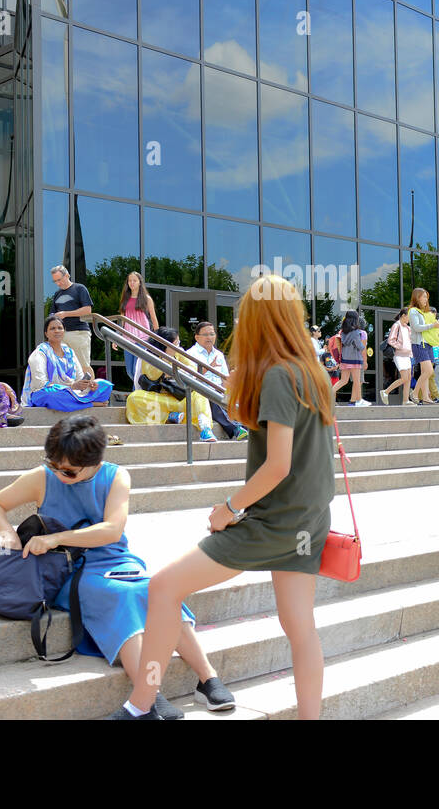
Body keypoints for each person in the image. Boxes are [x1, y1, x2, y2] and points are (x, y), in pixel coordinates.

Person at [114, 273, 335, 720]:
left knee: (163, 587)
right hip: (307, 520)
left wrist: (229, 509)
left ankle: (141, 706)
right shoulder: (312, 372)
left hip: (272, 519)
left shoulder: (277, 375)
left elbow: (277, 465)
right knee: (300, 628)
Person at [0, 414, 233, 718]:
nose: (60, 473)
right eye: (54, 465)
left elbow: (112, 530)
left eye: (70, 471)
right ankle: (149, 696)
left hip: (115, 559)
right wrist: (9, 535)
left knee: (159, 592)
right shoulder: (42, 477)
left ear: (95, 461)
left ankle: (208, 678)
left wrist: (55, 537)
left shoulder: (115, 476)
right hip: (69, 570)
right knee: (125, 596)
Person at [125, 326, 217, 441]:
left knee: (200, 394)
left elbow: (193, 370)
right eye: (175, 343)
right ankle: (170, 416)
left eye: (178, 342)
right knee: (134, 398)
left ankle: (205, 429)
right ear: (165, 344)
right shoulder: (149, 355)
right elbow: (152, 375)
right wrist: (168, 362)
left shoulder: (179, 353)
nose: (178, 346)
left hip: (178, 397)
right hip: (158, 398)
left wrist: (175, 368)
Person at [20, 316, 114, 411]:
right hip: (45, 393)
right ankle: (91, 404)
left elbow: (79, 378)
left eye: (60, 328)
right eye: (52, 328)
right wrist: (71, 386)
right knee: (52, 396)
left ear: (64, 331)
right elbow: (40, 384)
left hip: (71, 392)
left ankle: (79, 402)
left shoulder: (69, 352)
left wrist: (88, 384)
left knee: (104, 385)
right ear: (46, 333)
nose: (57, 331)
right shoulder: (40, 352)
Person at [187, 321, 249, 441]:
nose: (209, 337)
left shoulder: (219, 354)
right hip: (201, 391)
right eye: (205, 335)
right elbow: (190, 378)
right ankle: (235, 429)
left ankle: (249, 427)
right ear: (197, 337)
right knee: (213, 399)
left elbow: (224, 379)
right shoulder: (190, 353)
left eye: (212, 334)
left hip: (219, 390)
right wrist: (209, 366)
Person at [407, 288, 439, 405]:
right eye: (424, 297)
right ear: (417, 297)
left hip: (428, 344)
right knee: (428, 371)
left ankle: (426, 397)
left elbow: (429, 327)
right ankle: (415, 393)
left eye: (427, 297)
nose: (426, 300)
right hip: (419, 344)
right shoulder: (413, 311)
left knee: (426, 372)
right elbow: (417, 327)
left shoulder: (424, 312)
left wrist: (437, 325)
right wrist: (432, 325)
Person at [49, 265, 94, 377]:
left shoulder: (80, 289)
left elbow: (87, 310)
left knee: (83, 366)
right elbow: (52, 314)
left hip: (79, 333)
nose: (58, 283)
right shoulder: (57, 294)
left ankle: (93, 393)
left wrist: (65, 314)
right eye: (55, 281)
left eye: (59, 279)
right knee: (65, 366)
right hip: (61, 335)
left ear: (67, 275)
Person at [115, 272, 160, 384]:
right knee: (130, 371)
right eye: (130, 280)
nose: (132, 283)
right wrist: (117, 336)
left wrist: (157, 338)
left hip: (143, 338)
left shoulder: (146, 298)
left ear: (140, 282)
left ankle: (136, 396)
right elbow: (121, 319)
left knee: (137, 370)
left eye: (135, 280)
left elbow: (154, 319)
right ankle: (138, 391)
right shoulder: (125, 298)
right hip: (128, 338)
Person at [331, 310, 370, 407]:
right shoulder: (356, 332)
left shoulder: (343, 332)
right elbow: (360, 346)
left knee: (343, 381)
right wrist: (364, 349)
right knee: (357, 381)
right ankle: (359, 400)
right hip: (355, 359)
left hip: (345, 359)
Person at [379, 308, 414, 406]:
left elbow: (410, 342)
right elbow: (391, 340)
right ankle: (385, 392)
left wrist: (411, 353)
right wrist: (401, 347)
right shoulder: (396, 325)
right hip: (399, 355)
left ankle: (405, 401)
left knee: (408, 378)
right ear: (403, 315)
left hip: (407, 356)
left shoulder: (408, 328)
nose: (409, 319)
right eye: (409, 317)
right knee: (404, 378)